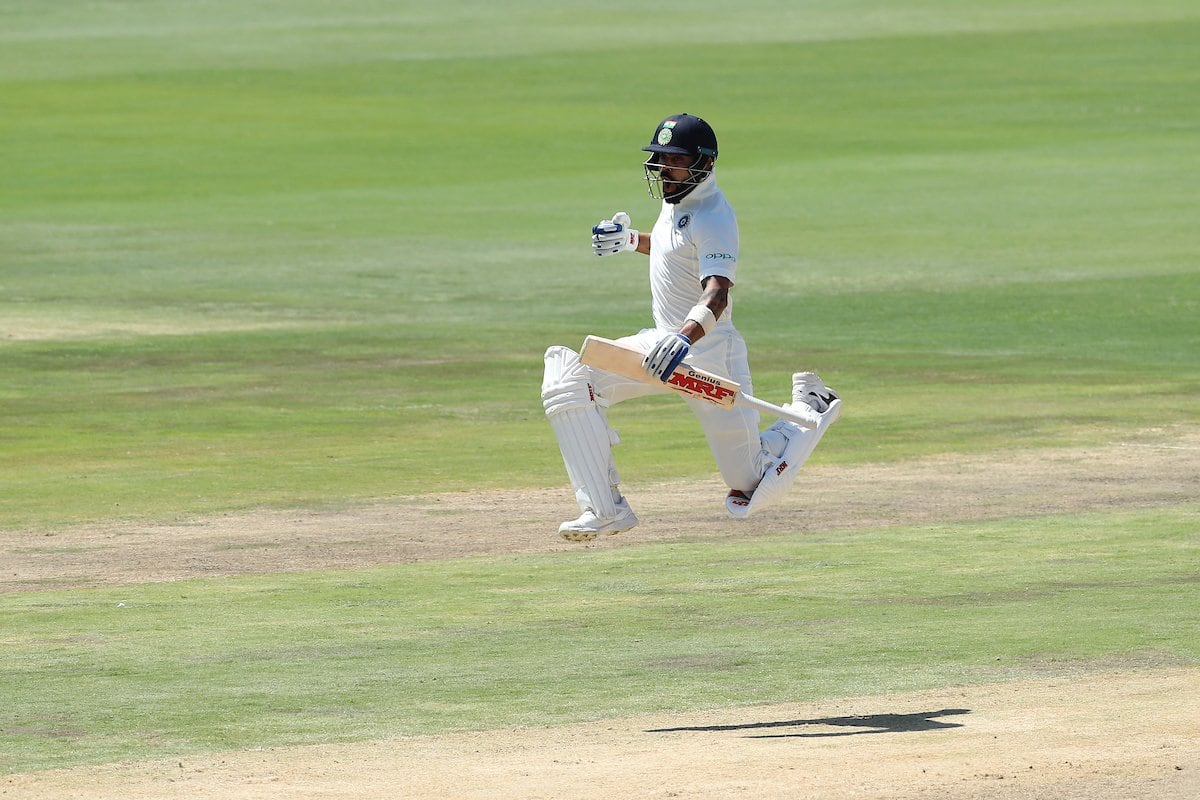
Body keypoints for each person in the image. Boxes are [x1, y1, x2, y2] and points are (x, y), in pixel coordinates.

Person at [541, 113, 841, 541]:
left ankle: (808, 407)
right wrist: (630, 241)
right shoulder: (676, 200)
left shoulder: (715, 217)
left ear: (704, 164)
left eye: (674, 160)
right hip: (664, 343)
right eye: (660, 159)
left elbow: (716, 294)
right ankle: (604, 510)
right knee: (569, 380)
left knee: (749, 484)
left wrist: (684, 338)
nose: (663, 169)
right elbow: (673, 250)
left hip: (710, 354)